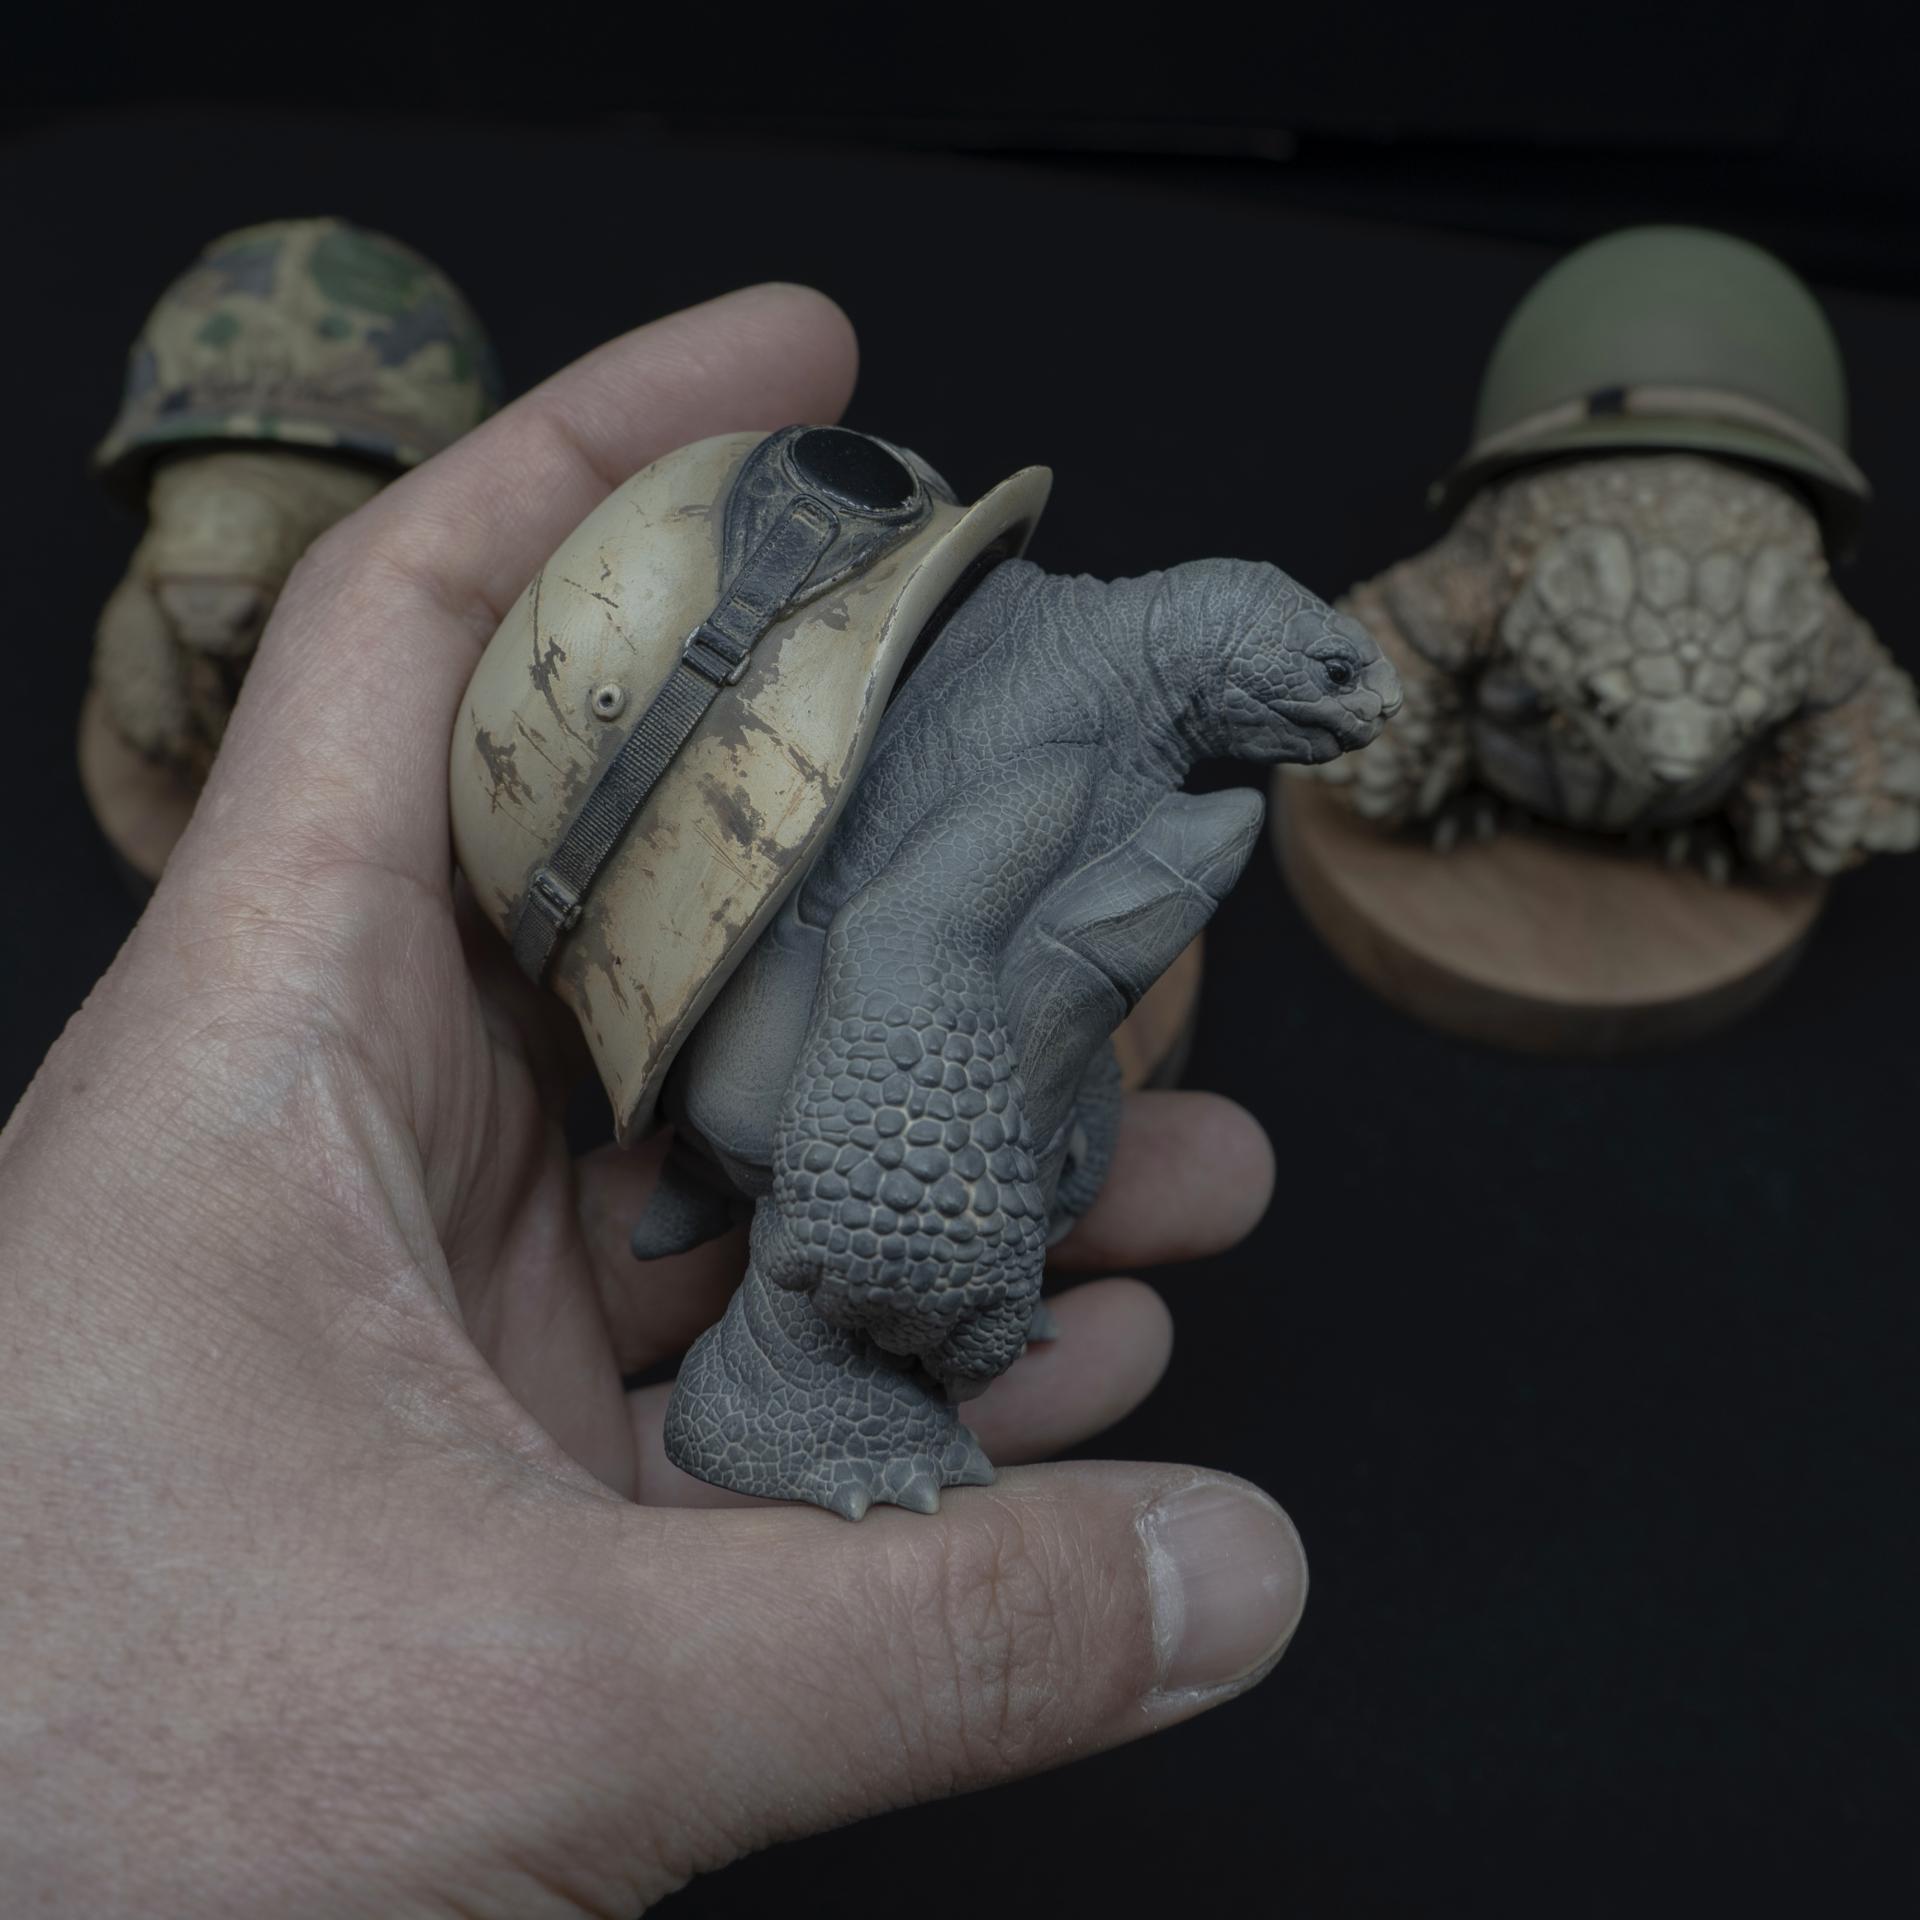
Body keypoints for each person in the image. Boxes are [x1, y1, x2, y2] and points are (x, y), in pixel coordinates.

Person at [0, 284, 1305, 1914]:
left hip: (896, 993)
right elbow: (900, 941)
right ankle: (784, 1370)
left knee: (1002, 1051)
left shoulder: (1049, 677)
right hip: (825, 1062)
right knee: (902, 1085)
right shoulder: (848, 926)